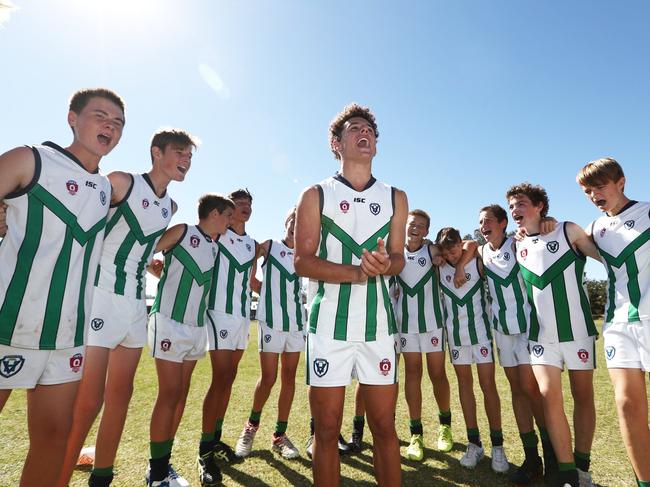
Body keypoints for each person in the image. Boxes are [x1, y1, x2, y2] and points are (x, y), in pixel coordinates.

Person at [56, 129, 197, 487]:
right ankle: (55, 476)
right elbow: (82, 220)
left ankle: (101, 477)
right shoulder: (121, 182)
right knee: (89, 400)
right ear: (156, 152)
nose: (186, 160)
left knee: (121, 396)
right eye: (180, 152)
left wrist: (150, 263)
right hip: (99, 295)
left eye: (190, 156)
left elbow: (140, 244)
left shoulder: (171, 206)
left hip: (135, 304)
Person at [0, 88, 124, 485]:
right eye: (100, 115)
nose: (110, 125)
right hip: (8, 321)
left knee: (53, 438)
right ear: (72, 118)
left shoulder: (106, 188)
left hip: (67, 334)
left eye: (118, 122)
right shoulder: (31, 158)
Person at [294, 103, 408, 486]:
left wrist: (385, 266)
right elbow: (303, 261)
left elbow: (398, 259)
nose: (365, 133)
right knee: (326, 432)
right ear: (335, 142)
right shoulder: (315, 195)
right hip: (328, 329)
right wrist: (357, 272)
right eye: (355, 128)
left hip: (378, 330)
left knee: (384, 429)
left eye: (371, 130)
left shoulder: (395, 196)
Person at [507, 182, 600, 487]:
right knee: (550, 400)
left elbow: (604, 257)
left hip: (577, 332)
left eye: (520, 203)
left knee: (583, 397)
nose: (514, 210)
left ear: (539, 206)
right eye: (511, 206)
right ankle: (568, 474)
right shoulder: (516, 244)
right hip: (540, 337)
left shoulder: (567, 230)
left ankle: (583, 468)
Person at [457, 204, 556, 484]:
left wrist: (547, 222)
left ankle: (552, 456)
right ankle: (531, 457)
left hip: (526, 328)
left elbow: (544, 233)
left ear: (503, 223)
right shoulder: (480, 251)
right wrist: (464, 261)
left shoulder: (518, 242)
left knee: (529, 388)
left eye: (488, 220)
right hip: (502, 331)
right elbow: (467, 245)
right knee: (516, 391)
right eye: (480, 222)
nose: (483, 225)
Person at [147, 194, 234, 487]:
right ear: (214, 214)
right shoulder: (184, 231)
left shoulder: (213, 245)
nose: (229, 222)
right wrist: (154, 270)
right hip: (169, 320)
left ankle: (163, 462)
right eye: (227, 216)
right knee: (169, 393)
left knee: (181, 394)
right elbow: (146, 249)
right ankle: (155, 474)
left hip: (196, 327)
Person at [576, 158, 650, 487]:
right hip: (618, 324)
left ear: (621, 182)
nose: (594, 195)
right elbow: (565, 242)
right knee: (626, 405)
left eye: (600, 186)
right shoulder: (594, 229)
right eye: (588, 191)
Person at [436, 227, 508, 473]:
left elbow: (474, 244)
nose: (452, 254)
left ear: (459, 244)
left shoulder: (476, 263)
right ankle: (474, 442)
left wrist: (460, 264)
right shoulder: (438, 267)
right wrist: (443, 259)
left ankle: (498, 445)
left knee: (488, 387)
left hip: (482, 337)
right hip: (456, 340)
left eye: (454, 249)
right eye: (446, 251)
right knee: (465, 388)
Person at [234, 207, 303, 459]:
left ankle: (279, 436)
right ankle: (250, 427)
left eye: (302, 220)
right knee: (269, 378)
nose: (296, 224)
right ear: (286, 222)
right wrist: (257, 283)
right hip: (271, 322)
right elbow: (251, 255)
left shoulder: (307, 252)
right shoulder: (271, 245)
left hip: (296, 323)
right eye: (293, 219)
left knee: (289, 378)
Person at [200, 188, 258, 464]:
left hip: (242, 317)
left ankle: (215, 439)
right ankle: (204, 449)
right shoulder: (218, 235)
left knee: (229, 379)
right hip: (219, 313)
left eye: (249, 203)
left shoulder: (252, 244)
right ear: (229, 209)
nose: (245, 207)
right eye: (239, 203)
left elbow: (252, 282)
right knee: (220, 378)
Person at [395, 209, 453, 461]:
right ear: (404, 226)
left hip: (432, 324)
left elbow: (449, 250)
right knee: (413, 375)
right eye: (411, 224)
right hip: (406, 325)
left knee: (437, 374)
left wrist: (437, 251)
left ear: (427, 231)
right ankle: (415, 433)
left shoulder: (431, 251)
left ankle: (445, 426)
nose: (415, 228)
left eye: (421, 225)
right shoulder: (395, 251)